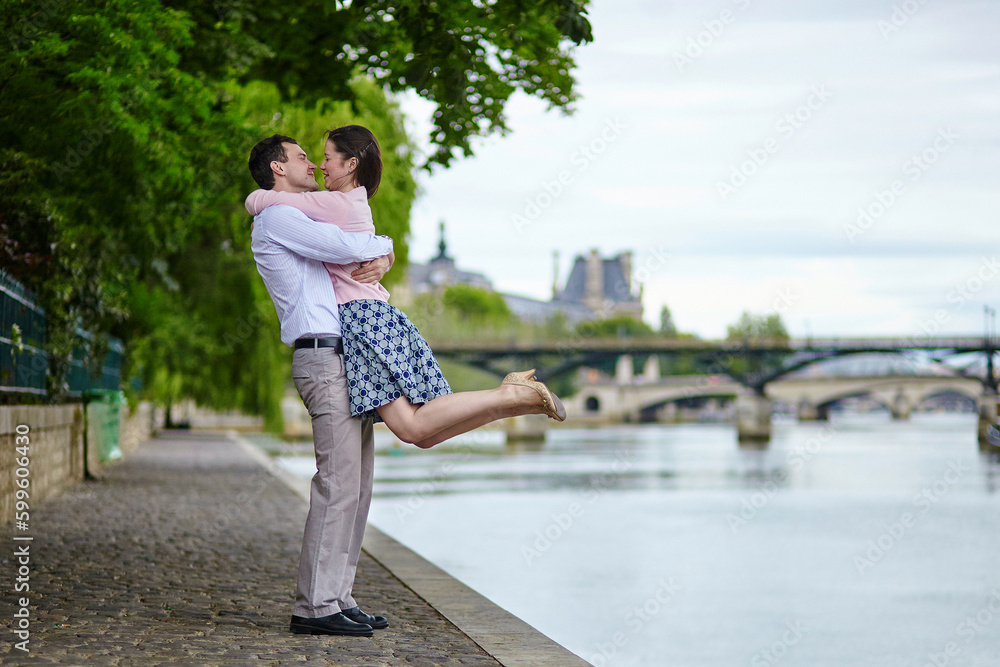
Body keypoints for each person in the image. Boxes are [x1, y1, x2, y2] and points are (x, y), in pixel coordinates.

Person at [245, 125, 566, 451]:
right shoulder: (352, 203)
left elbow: (273, 200)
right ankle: (513, 401)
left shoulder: (332, 203)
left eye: (327, 158)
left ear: (351, 164)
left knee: (411, 425)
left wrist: (254, 197)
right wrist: (386, 252)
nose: (320, 165)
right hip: (378, 316)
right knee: (423, 434)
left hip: (361, 319)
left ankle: (510, 393)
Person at [248, 134, 395, 637]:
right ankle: (314, 607)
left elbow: (350, 247)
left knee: (358, 485)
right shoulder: (280, 217)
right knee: (336, 484)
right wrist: (388, 248)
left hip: (343, 355)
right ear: (276, 167)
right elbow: (348, 246)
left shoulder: (300, 212)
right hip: (321, 356)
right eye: (300, 157)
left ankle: (338, 596)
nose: (311, 161)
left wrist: (382, 257)